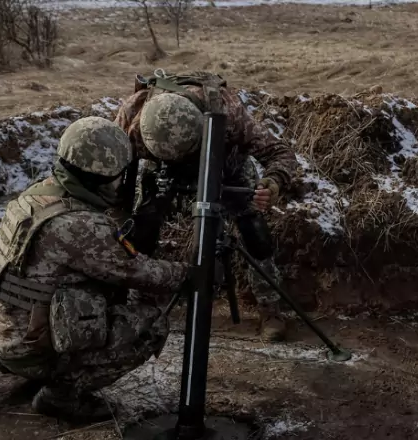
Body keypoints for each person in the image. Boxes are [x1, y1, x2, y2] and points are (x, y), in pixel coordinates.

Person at [0, 116, 190, 423]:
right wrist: (189, 272)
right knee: (150, 324)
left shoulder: (37, 195)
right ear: (102, 176)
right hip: (25, 348)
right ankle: (62, 394)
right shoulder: (79, 226)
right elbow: (143, 275)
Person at [113, 70, 299, 342]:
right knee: (140, 230)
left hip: (227, 171)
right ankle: (138, 302)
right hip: (163, 174)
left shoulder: (229, 112)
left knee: (254, 232)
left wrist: (272, 183)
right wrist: (119, 210)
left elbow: (280, 153)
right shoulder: (132, 114)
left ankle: (270, 308)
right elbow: (112, 167)